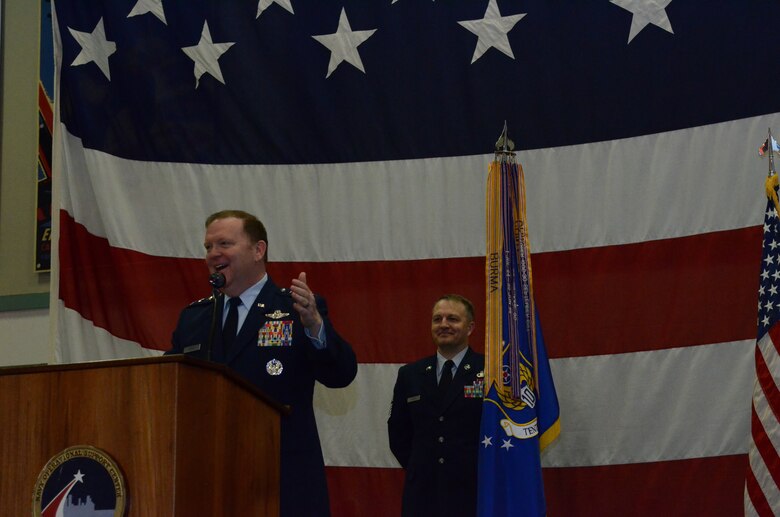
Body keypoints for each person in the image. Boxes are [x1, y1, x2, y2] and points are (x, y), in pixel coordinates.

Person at [168, 210, 357, 517]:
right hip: (208, 482)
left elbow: (341, 374)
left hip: (281, 478)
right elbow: (169, 385)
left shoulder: (296, 308)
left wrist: (315, 327)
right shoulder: (195, 318)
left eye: (224, 244)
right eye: (208, 247)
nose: (213, 254)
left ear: (258, 250)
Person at [387, 294, 485, 517]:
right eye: (437, 319)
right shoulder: (410, 374)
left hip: (474, 490)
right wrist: (423, 467)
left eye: (452, 319)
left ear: (470, 328)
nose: (444, 325)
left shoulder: (490, 372)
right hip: (423, 493)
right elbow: (398, 433)